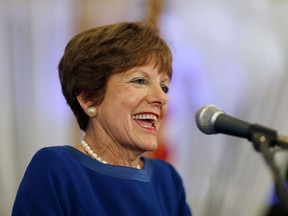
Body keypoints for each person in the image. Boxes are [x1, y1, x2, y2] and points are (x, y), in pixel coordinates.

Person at [12, 21, 192, 216]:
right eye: (140, 81)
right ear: (89, 98)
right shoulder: (56, 169)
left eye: (164, 87)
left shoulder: (167, 180)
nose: (162, 98)